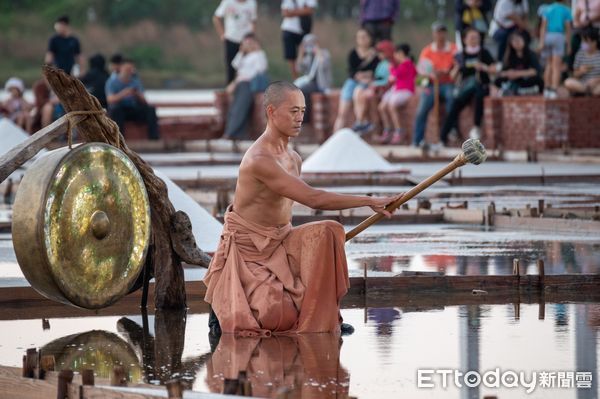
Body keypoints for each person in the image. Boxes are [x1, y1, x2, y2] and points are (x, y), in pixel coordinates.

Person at [203, 81, 399, 336]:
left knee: (329, 231)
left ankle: (326, 314)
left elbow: (287, 207)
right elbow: (314, 199)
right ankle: (225, 309)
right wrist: (369, 201)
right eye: (293, 111)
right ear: (271, 112)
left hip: (281, 240)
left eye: (303, 111)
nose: (299, 118)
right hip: (250, 251)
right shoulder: (260, 159)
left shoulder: (293, 157)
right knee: (277, 316)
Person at [440, 27, 496, 145]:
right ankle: (443, 137)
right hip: (465, 88)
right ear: (465, 40)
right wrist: (457, 67)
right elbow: (453, 76)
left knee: (479, 95)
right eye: (471, 37)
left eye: (476, 37)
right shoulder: (460, 55)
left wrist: (483, 67)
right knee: (455, 105)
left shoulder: (483, 53)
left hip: (481, 86)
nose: (474, 40)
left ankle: (476, 127)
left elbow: (494, 69)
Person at [413, 22, 458, 147]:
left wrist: (447, 71)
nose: (440, 35)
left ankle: (451, 131)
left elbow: (458, 65)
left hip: (448, 83)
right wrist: (431, 75)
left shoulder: (453, 49)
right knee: (422, 108)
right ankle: (417, 140)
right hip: (432, 85)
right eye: (438, 32)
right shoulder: (427, 51)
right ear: (433, 34)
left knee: (452, 100)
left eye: (442, 31)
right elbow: (420, 75)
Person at [223, 34, 268, 139]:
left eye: (249, 43)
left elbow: (260, 69)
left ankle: (231, 132)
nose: (247, 45)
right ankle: (234, 132)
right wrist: (241, 51)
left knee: (240, 108)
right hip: (241, 83)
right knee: (235, 108)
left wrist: (257, 49)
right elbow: (234, 65)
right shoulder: (244, 56)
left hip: (248, 83)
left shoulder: (259, 55)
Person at [333, 28, 379, 132]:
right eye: (359, 37)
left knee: (358, 93)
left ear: (370, 39)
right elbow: (351, 71)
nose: (362, 39)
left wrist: (365, 75)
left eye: (364, 37)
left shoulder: (375, 55)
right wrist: (361, 75)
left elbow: (375, 72)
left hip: (366, 84)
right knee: (342, 112)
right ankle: (334, 137)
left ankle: (360, 123)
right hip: (352, 81)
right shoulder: (353, 53)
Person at [105, 58, 160, 140]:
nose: (129, 71)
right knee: (115, 110)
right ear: (121, 68)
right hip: (120, 110)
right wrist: (124, 93)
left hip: (133, 108)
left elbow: (144, 101)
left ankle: (154, 138)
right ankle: (119, 139)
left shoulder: (135, 82)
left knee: (151, 110)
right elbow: (110, 100)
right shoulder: (112, 82)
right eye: (127, 69)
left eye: (131, 69)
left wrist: (137, 94)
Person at [377, 44, 417, 145]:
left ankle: (399, 130)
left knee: (392, 105)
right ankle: (388, 129)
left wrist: (391, 69)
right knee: (382, 107)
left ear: (401, 54)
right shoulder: (400, 64)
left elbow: (396, 75)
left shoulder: (407, 64)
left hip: (405, 90)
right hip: (397, 89)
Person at [213, 0, 258, 84]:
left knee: (248, 66)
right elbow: (216, 18)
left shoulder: (251, 3)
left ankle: (249, 91)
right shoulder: (228, 2)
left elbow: (253, 20)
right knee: (231, 67)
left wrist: (252, 38)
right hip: (231, 39)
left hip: (246, 41)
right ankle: (230, 90)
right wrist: (222, 35)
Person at [294, 34, 332, 123]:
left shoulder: (324, 53)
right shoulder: (308, 56)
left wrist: (317, 51)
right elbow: (299, 68)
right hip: (310, 82)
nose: (309, 46)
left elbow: (324, 65)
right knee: (297, 90)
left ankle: (304, 118)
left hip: (321, 83)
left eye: (311, 43)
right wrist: (301, 53)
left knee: (302, 90)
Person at [538, 0, 573, 98]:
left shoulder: (547, 9)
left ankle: (546, 88)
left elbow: (543, 26)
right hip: (558, 36)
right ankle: (554, 89)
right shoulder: (566, 10)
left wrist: (541, 42)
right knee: (556, 66)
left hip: (547, 36)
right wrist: (569, 44)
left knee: (548, 65)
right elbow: (568, 28)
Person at [496, 31, 544, 95]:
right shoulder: (508, 56)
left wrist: (518, 74)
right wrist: (509, 73)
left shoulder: (531, 54)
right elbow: (502, 72)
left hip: (526, 80)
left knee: (538, 80)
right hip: (514, 81)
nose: (517, 43)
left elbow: (536, 71)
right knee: (498, 81)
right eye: (514, 41)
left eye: (519, 40)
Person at [281, 0, 317, 79]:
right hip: (289, 30)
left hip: (303, 31)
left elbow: (310, 10)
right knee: (291, 57)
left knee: (306, 56)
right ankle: (296, 81)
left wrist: (292, 12)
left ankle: (306, 78)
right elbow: (285, 13)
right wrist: (302, 10)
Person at [564, 27, 600, 95]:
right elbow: (575, 74)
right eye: (583, 41)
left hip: (597, 84)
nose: (584, 44)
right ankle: (586, 91)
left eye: (587, 41)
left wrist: (596, 80)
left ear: (594, 42)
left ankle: (586, 92)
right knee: (568, 82)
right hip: (583, 84)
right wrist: (581, 71)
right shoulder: (580, 54)